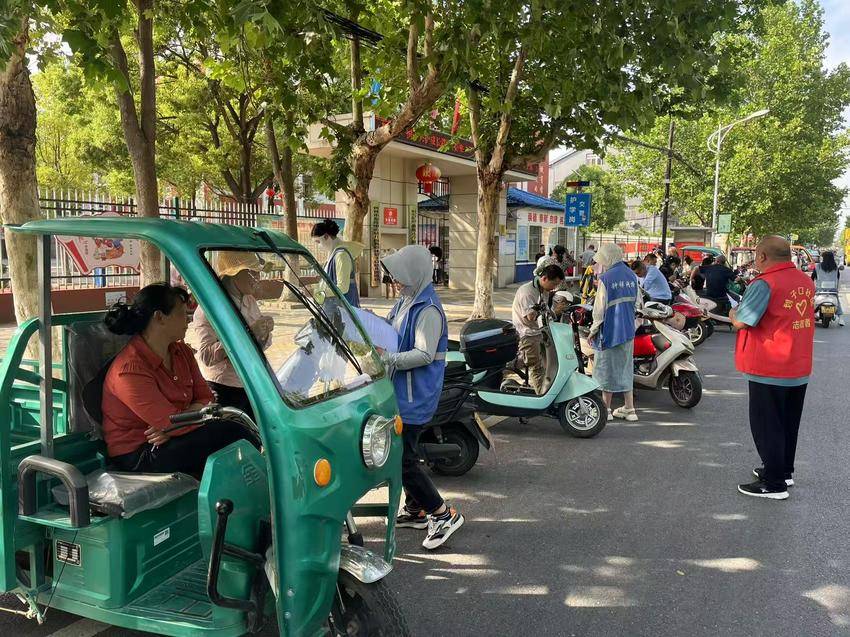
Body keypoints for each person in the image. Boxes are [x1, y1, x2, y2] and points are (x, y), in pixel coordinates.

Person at [101, 284, 255, 478]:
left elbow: (206, 397)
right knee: (232, 432)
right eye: (182, 314)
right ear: (159, 317)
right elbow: (168, 421)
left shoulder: (181, 352)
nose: (188, 320)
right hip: (139, 452)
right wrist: (176, 424)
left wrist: (175, 426)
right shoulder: (130, 370)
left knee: (237, 431)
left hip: (172, 438)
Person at [381, 245, 464, 549]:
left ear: (415, 273)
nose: (395, 281)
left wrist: (389, 359)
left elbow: (424, 354)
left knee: (402, 461)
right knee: (405, 454)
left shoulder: (427, 309)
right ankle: (415, 509)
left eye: (399, 275)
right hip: (402, 392)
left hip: (415, 395)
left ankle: (442, 514)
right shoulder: (406, 301)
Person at [730, 236, 815, 500]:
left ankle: (774, 483)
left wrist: (733, 314)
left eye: (756, 256)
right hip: (798, 365)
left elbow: (743, 320)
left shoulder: (765, 283)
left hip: (769, 366)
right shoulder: (804, 280)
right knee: (788, 424)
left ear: (763, 256)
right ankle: (783, 471)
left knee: (767, 425)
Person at [187, 251, 274, 418]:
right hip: (225, 387)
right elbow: (206, 356)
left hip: (251, 381)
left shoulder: (249, 300)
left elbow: (260, 345)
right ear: (234, 274)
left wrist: (264, 332)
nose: (257, 278)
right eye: (252, 272)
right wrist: (247, 333)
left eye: (258, 273)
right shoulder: (210, 308)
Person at [589, 244, 640, 421]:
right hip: (628, 331)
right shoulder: (632, 276)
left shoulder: (606, 279)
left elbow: (599, 310)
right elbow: (638, 304)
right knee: (626, 368)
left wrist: (593, 330)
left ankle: (606, 410)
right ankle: (630, 409)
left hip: (609, 332)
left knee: (606, 369)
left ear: (608, 258)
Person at [511, 264, 566, 394]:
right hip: (527, 334)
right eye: (554, 284)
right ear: (544, 278)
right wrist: (552, 311)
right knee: (536, 367)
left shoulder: (543, 290)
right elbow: (530, 316)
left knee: (548, 364)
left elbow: (545, 311)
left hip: (540, 332)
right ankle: (542, 396)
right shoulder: (527, 292)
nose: (554, 287)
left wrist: (554, 312)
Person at [311, 218, 362, 307]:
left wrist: (319, 293)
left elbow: (343, 287)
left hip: (343, 308)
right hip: (335, 307)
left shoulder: (341, 255)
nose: (319, 246)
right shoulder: (333, 254)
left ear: (326, 236)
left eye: (318, 242)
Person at [812, 250, 844, 326]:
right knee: (837, 301)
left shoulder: (818, 266)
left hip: (820, 290)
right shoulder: (835, 267)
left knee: (812, 302)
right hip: (833, 291)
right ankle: (841, 318)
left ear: (823, 258)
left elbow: (812, 277)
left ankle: (812, 314)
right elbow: (838, 278)